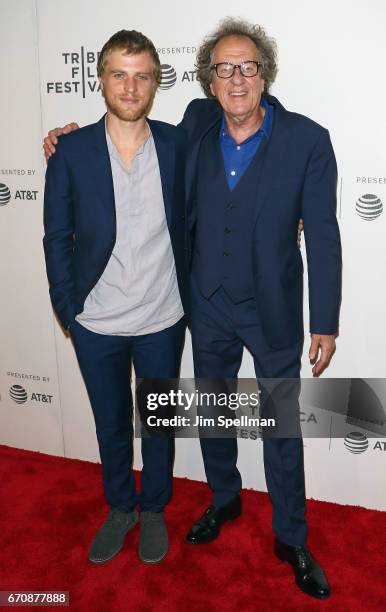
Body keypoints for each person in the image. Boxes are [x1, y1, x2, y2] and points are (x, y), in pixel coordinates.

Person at [43, 18, 341, 600]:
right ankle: (223, 501)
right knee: (212, 415)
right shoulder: (194, 128)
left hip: (273, 309)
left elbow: (324, 234)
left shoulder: (308, 139)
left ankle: (292, 538)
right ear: (207, 80)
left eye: (247, 66)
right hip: (205, 307)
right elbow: (111, 147)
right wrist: (63, 139)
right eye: (224, 68)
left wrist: (324, 320)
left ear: (264, 75)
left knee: (280, 426)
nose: (236, 78)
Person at [43, 29, 188, 565]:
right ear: (101, 79)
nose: (131, 87)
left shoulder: (178, 144)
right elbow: (56, 235)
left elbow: (248, 112)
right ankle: (120, 508)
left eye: (142, 76)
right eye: (120, 74)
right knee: (110, 423)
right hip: (96, 321)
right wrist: (67, 307)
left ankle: (154, 510)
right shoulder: (72, 149)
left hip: (162, 316)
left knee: (158, 423)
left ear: (155, 83)